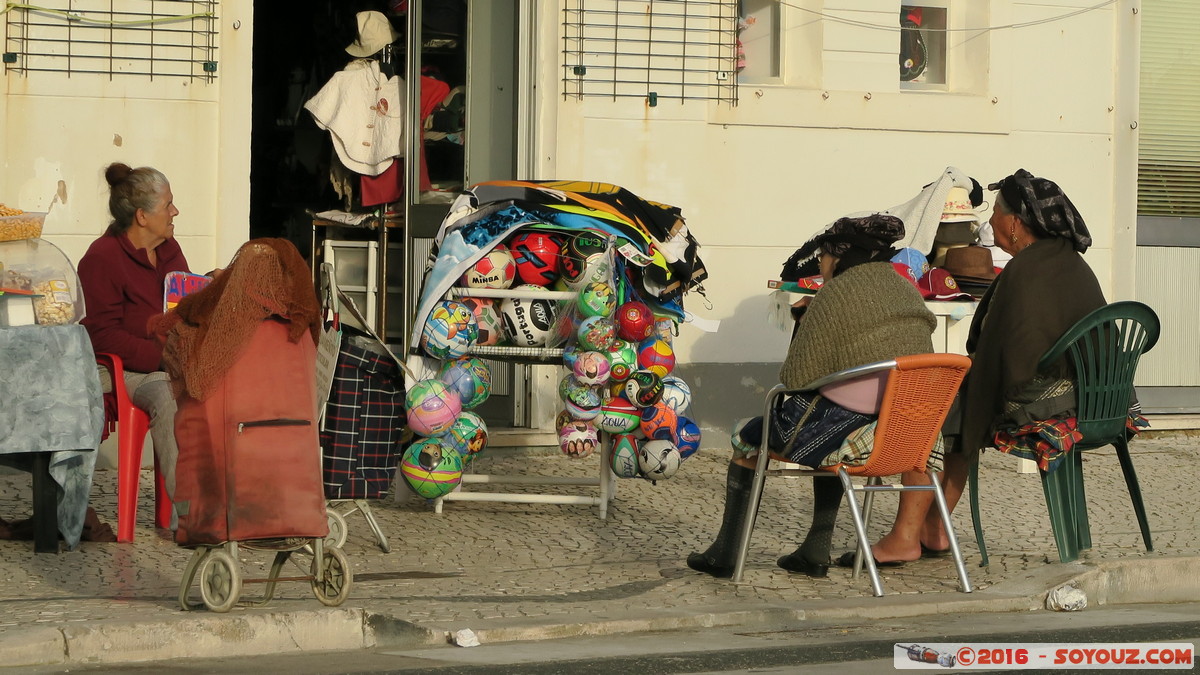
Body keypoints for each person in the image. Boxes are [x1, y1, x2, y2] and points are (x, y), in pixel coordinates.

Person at [863, 169, 1106, 565]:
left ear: (1014, 222)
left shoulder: (1027, 270)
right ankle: (935, 527)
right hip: (1095, 401)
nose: (990, 223)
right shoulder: (1070, 263)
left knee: (938, 405)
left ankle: (906, 535)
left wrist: (957, 377)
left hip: (1051, 404)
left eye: (995, 214)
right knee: (962, 401)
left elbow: (1003, 357)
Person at [687, 214, 937, 579]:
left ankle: (725, 554)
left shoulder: (836, 292)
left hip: (847, 432)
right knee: (834, 421)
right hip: (903, 431)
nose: (820, 263)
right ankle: (813, 550)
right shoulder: (906, 289)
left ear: (840, 257)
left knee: (749, 437)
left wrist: (807, 321)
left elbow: (795, 378)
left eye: (823, 256)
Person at [78, 163, 190, 516]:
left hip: (170, 359)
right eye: (168, 204)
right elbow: (101, 335)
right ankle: (190, 516)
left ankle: (236, 502)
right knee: (168, 394)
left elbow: (184, 303)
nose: (175, 211)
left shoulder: (170, 249)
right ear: (142, 216)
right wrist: (160, 359)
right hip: (124, 368)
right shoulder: (102, 258)